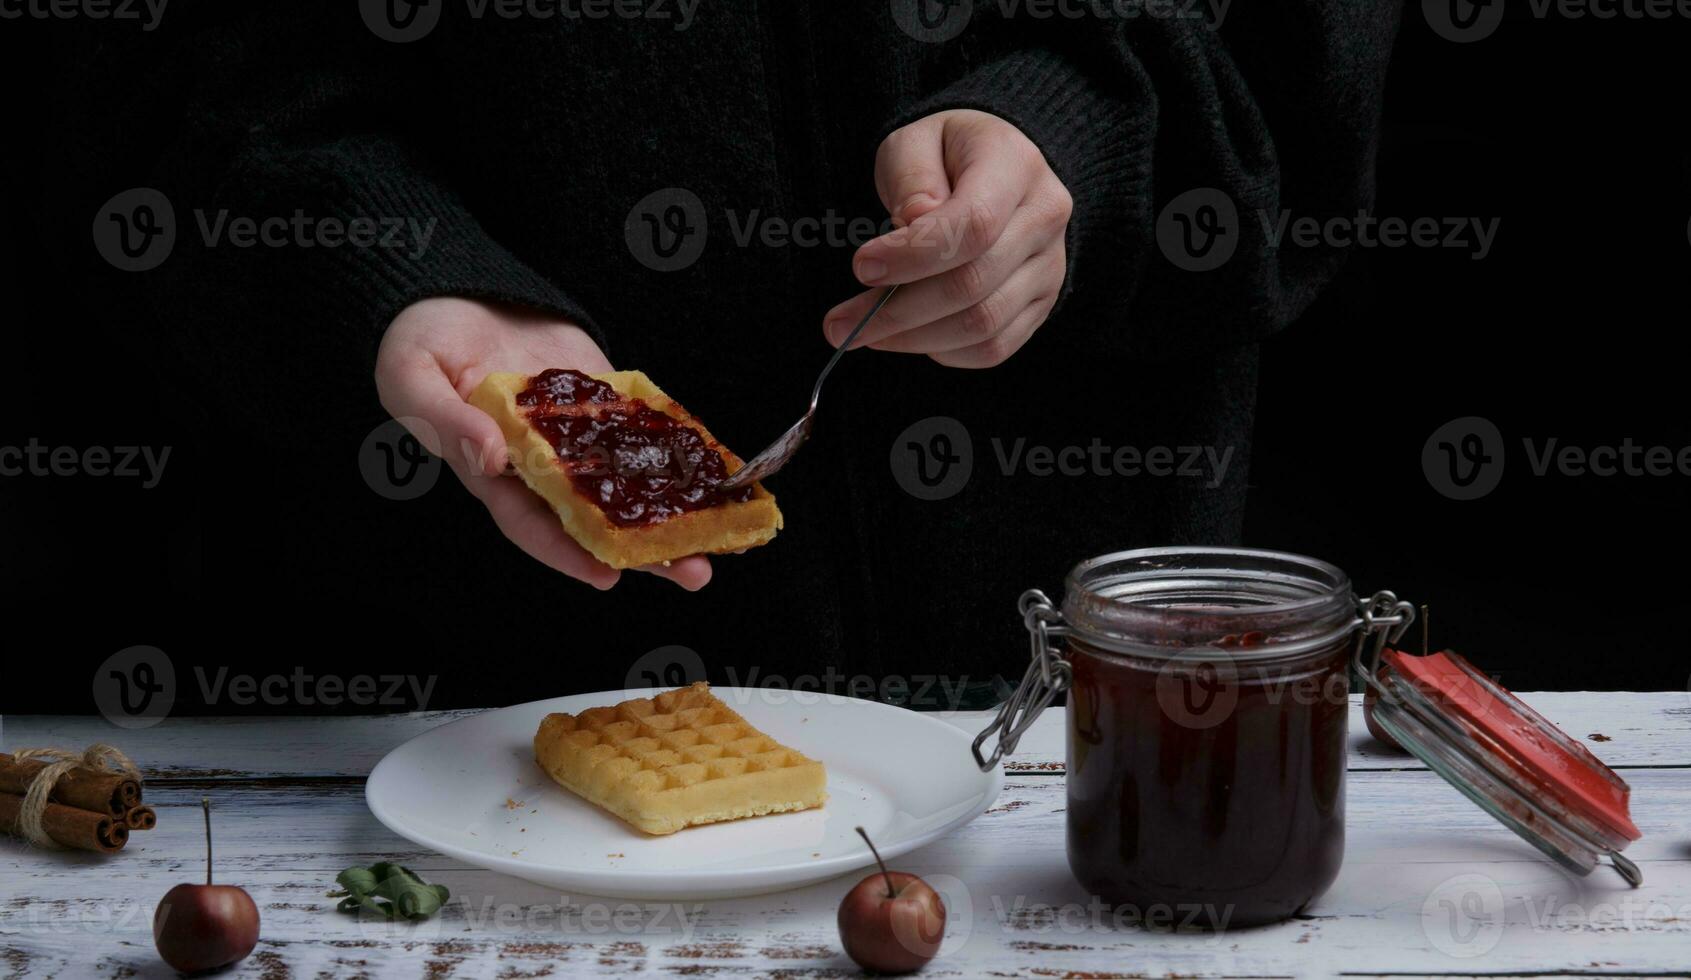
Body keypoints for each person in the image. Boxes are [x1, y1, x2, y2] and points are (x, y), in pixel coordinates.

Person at [58, 2, 1400, 708]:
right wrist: (407, 272)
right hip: (459, 723)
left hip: (1086, 714)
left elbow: (1299, 46)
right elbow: (180, 83)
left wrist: (1085, 132)